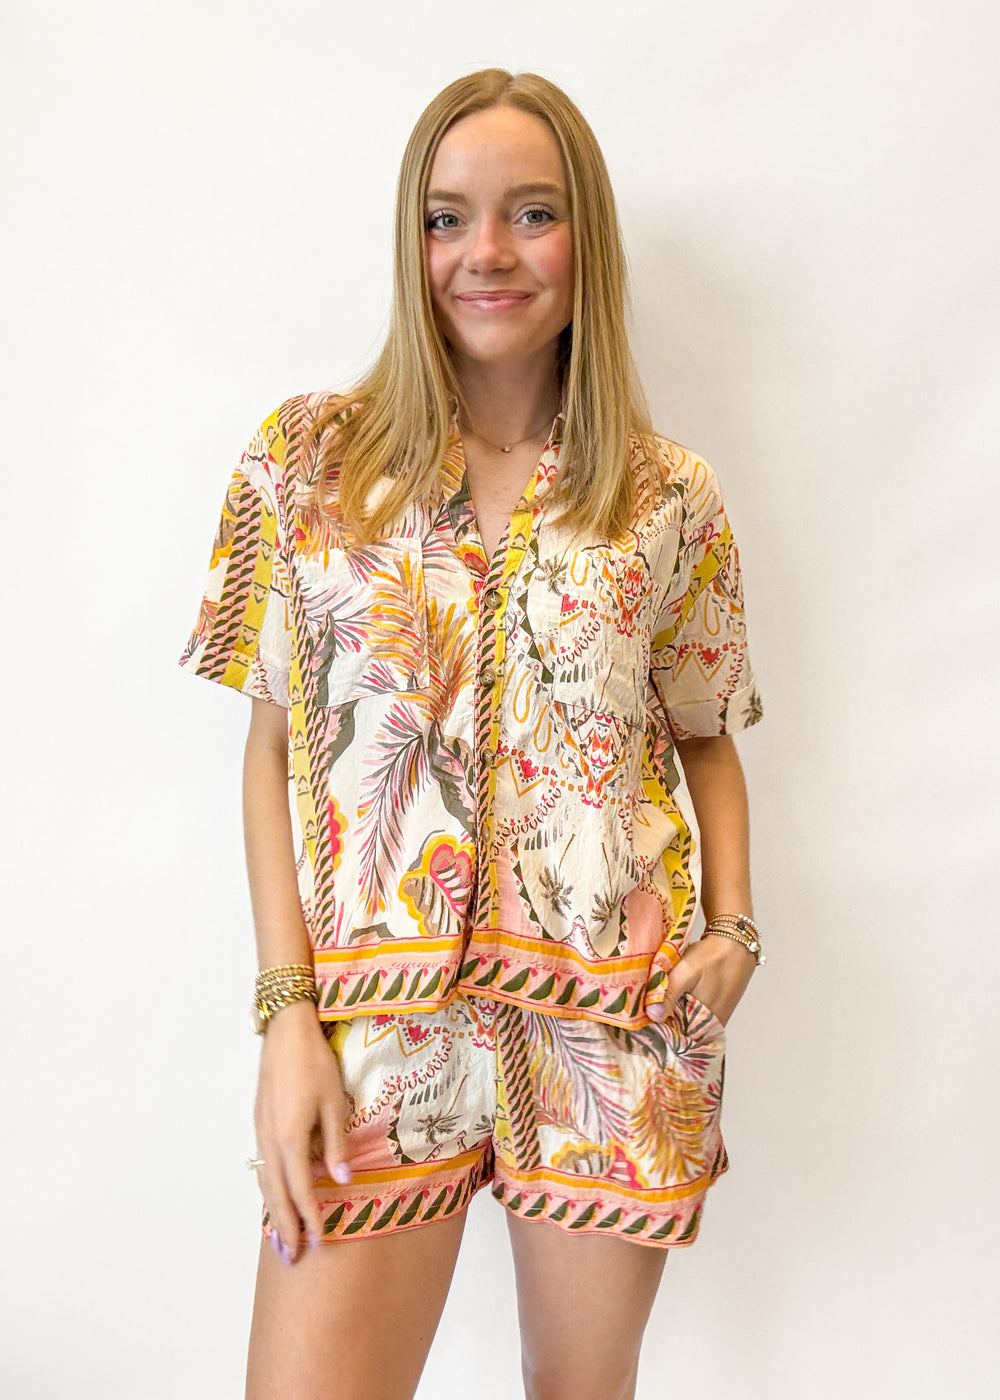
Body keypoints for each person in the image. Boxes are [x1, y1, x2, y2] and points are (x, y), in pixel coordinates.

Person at [180, 67, 764, 1400]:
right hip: (373, 1034)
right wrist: (287, 1023)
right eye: (447, 219)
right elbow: (271, 752)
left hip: (613, 1029)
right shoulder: (310, 466)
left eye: (530, 214)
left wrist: (733, 931)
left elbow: (709, 730)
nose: (485, 254)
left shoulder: (669, 495)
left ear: (586, 243)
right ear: (411, 241)